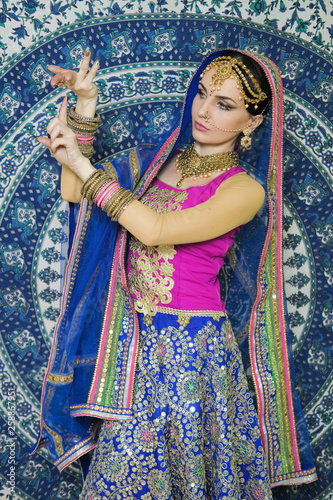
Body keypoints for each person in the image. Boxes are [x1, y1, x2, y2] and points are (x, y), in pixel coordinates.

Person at [32, 48, 317, 498]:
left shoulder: (244, 190)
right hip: (131, 345)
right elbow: (75, 189)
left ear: (253, 121)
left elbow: (155, 228)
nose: (203, 110)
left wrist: (83, 165)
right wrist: (85, 110)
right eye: (202, 94)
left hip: (192, 353)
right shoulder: (154, 160)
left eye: (225, 104)